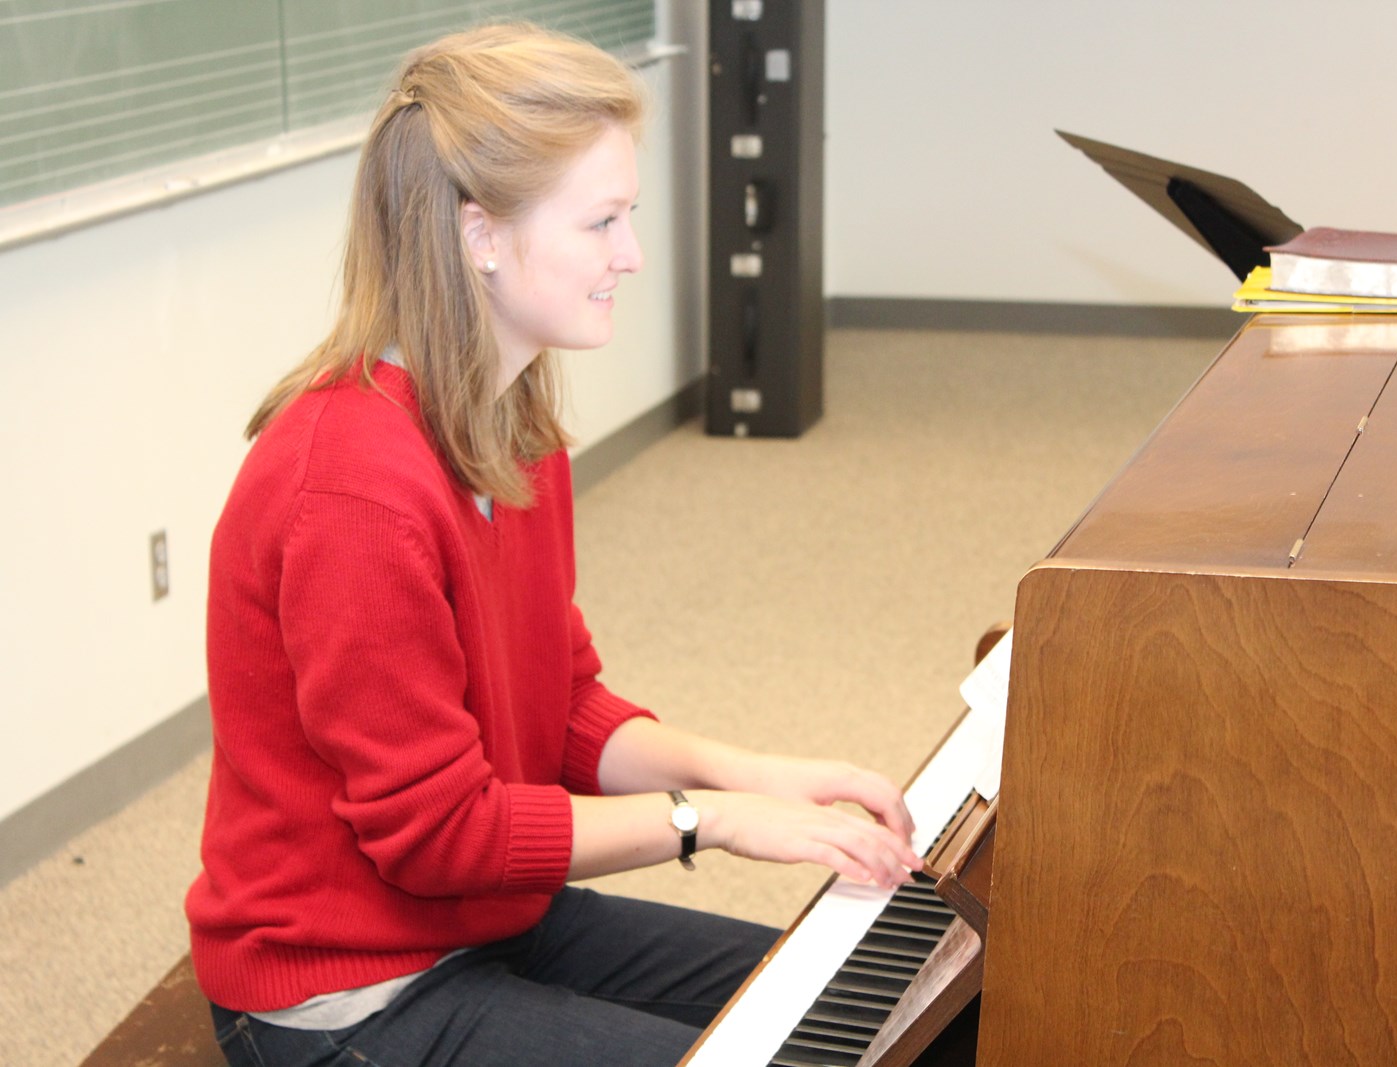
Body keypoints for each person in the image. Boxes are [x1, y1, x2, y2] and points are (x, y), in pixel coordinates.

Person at [185, 22, 921, 1067]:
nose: (631, 254)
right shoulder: (350, 490)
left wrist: (752, 773)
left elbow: (563, 706)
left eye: (628, 216)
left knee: (874, 1002)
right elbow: (441, 834)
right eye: (601, 221)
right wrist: (706, 819)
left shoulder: (511, 427)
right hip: (349, 987)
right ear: (479, 234)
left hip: (484, 915)